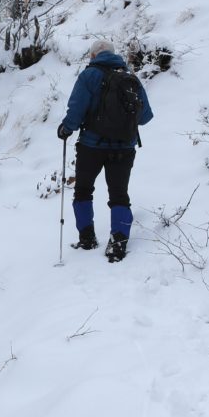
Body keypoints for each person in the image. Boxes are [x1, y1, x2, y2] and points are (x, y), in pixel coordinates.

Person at [57, 39, 153, 263]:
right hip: (124, 148)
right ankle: (118, 244)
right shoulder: (131, 78)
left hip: (92, 146)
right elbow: (146, 117)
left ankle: (87, 238)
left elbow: (76, 109)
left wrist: (66, 129)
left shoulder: (88, 76)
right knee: (119, 194)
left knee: (83, 190)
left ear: (93, 56)